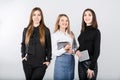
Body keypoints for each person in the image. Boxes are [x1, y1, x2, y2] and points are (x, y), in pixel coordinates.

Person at [21, 7, 52, 80]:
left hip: (41, 63)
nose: (36, 17)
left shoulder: (46, 30)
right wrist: (23, 56)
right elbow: (23, 44)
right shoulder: (26, 30)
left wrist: (48, 60)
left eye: (39, 15)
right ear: (31, 17)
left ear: (41, 17)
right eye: (34, 15)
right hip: (28, 63)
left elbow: (49, 47)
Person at [76, 8, 101, 80]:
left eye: (89, 15)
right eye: (85, 15)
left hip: (90, 63)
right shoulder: (82, 30)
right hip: (81, 61)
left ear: (93, 17)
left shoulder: (96, 32)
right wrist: (77, 50)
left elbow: (97, 51)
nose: (87, 17)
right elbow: (82, 46)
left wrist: (91, 67)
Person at [52, 14, 77, 80]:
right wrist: (64, 49)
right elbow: (54, 52)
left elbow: (75, 48)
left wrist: (73, 51)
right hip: (60, 63)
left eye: (67, 21)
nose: (65, 22)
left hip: (71, 62)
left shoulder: (71, 34)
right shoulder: (55, 35)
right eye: (62, 20)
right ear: (58, 22)